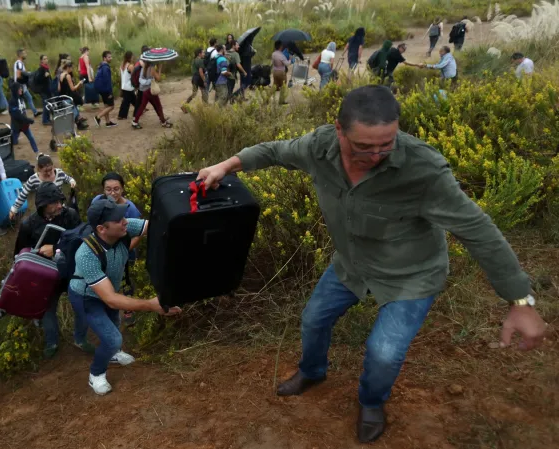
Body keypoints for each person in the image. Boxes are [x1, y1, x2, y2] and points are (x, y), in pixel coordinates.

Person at [197, 85, 547, 443]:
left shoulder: (423, 170)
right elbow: (274, 151)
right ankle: (313, 371)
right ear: (339, 130)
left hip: (410, 276)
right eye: (364, 146)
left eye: (387, 143)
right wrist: (226, 165)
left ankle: (371, 402)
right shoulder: (320, 148)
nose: (377, 154)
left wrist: (519, 300)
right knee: (313, 320)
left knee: (383, 353)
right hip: (352, 265)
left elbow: (478, 230)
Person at [70, 198, 181, 395]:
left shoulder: (124, 228)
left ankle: (112, 353)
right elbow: (110, 299)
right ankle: (96, 373)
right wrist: (152, 305)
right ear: (102, 229)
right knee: (113, 338)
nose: (125, 221)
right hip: (86, 297)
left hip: (109, 290)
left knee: (114, 322)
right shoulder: (86, 254)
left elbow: (152, 226)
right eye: (118, 219)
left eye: (123, 216)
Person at [13, 183, 93, 357]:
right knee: (47, 310)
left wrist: (57, 248)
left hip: (71, 271)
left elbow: (82, 239)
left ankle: (80, 339)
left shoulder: (70, 215)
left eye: (61, 201)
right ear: (43, 205)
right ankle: (52, 342)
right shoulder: (29, 225)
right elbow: (20, 255)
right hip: (46, 276)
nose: (60, 206)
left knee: (82, 305)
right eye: (55, 202)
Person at [91, 172, 142, 327]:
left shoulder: (130, 208)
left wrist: (125, 251)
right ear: (103, 190)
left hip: (126, 252)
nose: (112, 193)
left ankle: (128, 309)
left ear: (122, 189)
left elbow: (138, 234)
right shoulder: (97, 201)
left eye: (116, 189)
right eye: (108, 189)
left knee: (126, 279)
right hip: (103, 252)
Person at [9, 153, 76, 220]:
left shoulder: (59, 173)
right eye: (45, 171)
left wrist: (72, 181)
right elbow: (23, 195)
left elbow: (68, 178)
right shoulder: (33, 179)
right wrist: (14, 209)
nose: (49, 173)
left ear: (53, 166)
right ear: (39, 169)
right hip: (44, 213)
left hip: (59, 208)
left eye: (50, 170)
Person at [132, 61, 172, 130]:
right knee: (158, 106)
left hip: (145, 90)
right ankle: (163, 122)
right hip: (151, 90)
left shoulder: (144, 67)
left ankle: (135, 122)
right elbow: (158, 78)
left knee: (142, 106)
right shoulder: (152, 68)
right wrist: (159, 69)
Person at [8, 82, 39, 154]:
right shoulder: (12, 101)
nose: (21, 90)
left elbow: (23, 112)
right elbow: (17, 115)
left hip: (24, 124)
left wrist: (27, 121)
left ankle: (37, 153)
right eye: (19, 88)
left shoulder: (21, 98)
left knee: (31, 138)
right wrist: (29, 120)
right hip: (16, 125)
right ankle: (9, 156)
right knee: (13, 142)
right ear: (16, 90)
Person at [59, 60, 88, 130]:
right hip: (68, 97)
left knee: (76, 111)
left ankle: (80, 125)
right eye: (71, 68)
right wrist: (79, 83)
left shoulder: (61, 75)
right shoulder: (68, 76)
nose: (72, 69)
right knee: (74, 113)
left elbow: (59, 88)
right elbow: (72, 88)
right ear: (68, 67)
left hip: (63, 97)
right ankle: (69, 129)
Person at [13, 48, 41, 118]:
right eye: (24, 53)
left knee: (29, 98)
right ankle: (21, 114)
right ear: (20, 55)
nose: (26, 55)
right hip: (20, 85)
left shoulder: (20, 63)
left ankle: (35, 112)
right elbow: (19, 75)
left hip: (21, 85)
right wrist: (26, 78)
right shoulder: (19, 63)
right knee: (20, 100)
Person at [93, 51, 117, 128]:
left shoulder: (101, 66)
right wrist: (110, 92)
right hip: (106, 90)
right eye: (109, 57)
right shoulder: (106, 67)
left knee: (106, 106)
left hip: (101, 89)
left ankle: (108, 122)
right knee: (111, 106)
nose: (111, 58)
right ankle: (98, 117)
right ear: (104, 58)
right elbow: (107, 81)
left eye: (111, 56)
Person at [33, 55, 53, 126]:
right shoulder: (41, 69)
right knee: (46, 105)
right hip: (43, 91)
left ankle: (47, 119)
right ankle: (45, 120)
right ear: (41, 60)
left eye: (46, 58)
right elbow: (38, 79)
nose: (46, 60)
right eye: (44, 59)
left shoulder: (46, 68)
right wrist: (44, 76)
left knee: (48, 105)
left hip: (47, 90)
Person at [118, 51, 138, 120]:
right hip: (129, 86)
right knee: (126, 102)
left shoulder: (122, 65)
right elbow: (133, 76)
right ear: (130, 57)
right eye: (132, 56)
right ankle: (122, 115)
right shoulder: (130, 66)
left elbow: (121, 76)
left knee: (131, 100)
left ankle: (122, 115)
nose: (133, 58)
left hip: (124, 86)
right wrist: (136, 86)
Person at [271, 41, 291, 105]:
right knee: (283, 87)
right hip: (281, 73)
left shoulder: (273, 54)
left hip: (275, 72)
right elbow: (287, 64)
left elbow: (273, 63)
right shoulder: (281, 55)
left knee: (274, 86)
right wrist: (290, 59)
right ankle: (281, 101)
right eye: (281, 45)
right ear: (280, 46)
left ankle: (266, 98)